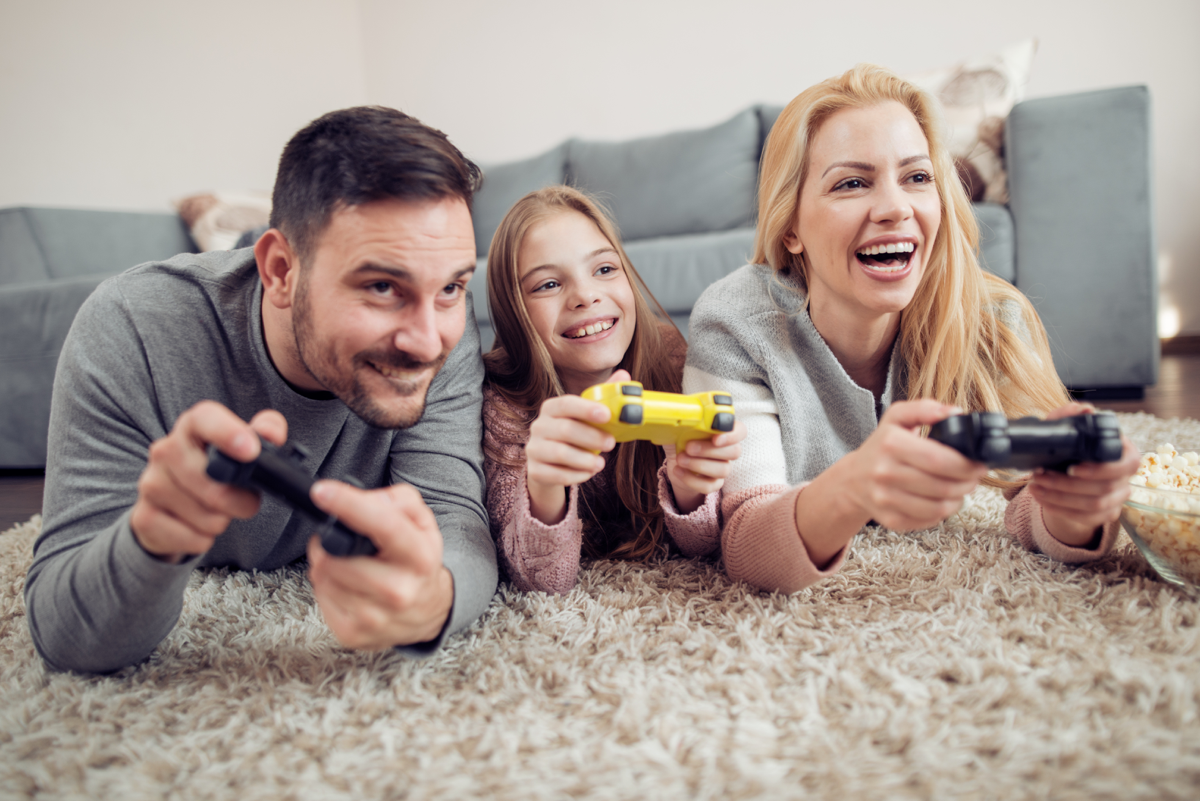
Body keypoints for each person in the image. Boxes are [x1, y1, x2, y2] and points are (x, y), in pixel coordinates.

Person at [25, 106, 498, 673]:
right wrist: (151, 540)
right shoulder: (131, 326)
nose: (426, 342)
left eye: (450, 286)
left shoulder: (447, 325)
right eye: (381, 286)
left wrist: (431, 601)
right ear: (280, 270)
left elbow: (454, 516)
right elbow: (65, 635)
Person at [682, 64, 1140, 593]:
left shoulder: (988, 320)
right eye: (852, 183)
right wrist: (854, 487)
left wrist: (1077, 507)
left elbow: (1029, 508)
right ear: (790, 228)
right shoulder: (736, 323)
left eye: (917, 178)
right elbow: (747, 545)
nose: (896, 208)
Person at [481, 186, 745, 593]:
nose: (586, 296)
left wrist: (689, 487)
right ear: (512, 312)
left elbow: (703, 549)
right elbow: (542, 580)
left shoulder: (671, 360)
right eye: (548, 284)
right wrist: (546, 485)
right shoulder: (502, 406)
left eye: (604, 269)